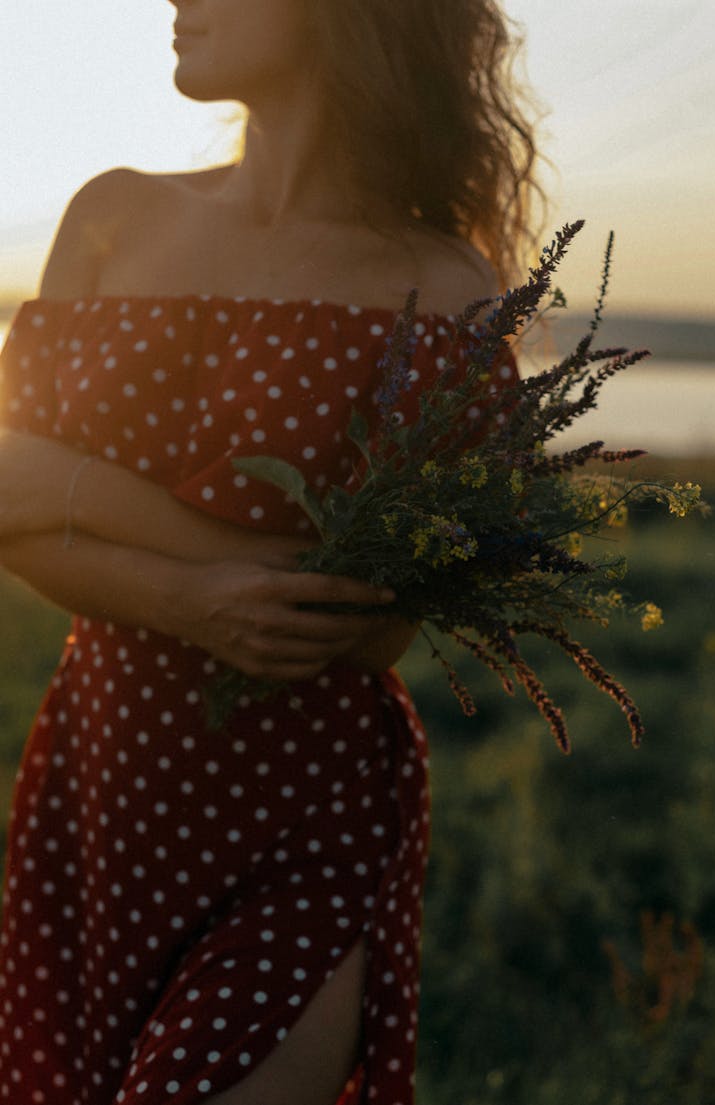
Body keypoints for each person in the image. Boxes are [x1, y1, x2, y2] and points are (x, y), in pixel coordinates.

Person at [0, 2, 542, 1102]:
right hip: (99, 805)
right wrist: (190, 586)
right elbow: (8, 505)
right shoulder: (114, 215)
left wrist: (80, 492)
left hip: (301, 824)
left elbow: (365, 623)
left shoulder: (444, 288)